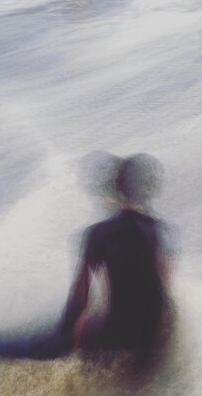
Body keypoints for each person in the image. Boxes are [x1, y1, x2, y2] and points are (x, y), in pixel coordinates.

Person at [60, 153, 172, 367]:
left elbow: (81, 296)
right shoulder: (159, 231)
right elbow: (165, 290)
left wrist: (67, 347)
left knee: (91, 325)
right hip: (154, 334)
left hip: (117, 331)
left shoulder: (98, 234)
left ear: (113, 188)